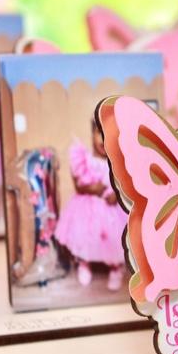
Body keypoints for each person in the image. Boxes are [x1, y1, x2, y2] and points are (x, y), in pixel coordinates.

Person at [54, 121, 126, 291]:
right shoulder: (85, 159)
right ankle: (84, 263)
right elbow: (79, 186)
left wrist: (116, 195)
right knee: (83, 232)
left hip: (110, 209)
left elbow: (124, 185)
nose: (103, 140)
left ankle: (115, 267)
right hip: (87, 207)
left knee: (114, 235)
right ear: (92, 133)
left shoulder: (116, 163)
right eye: (100, 134)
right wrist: (94, 188)